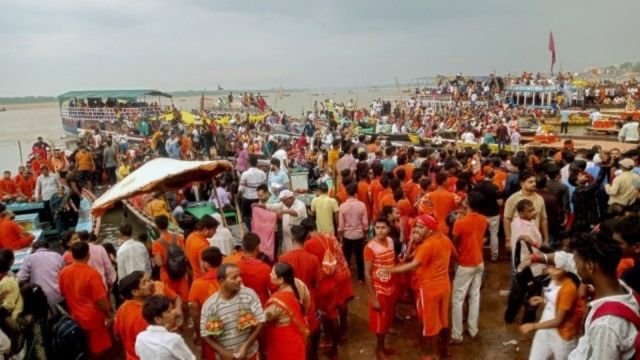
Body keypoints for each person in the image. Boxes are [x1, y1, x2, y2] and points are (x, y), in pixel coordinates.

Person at [381, 214, 455, 359]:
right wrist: (412, 242)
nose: (417, 230)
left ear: (431, 229)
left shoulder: (427, 245)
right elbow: (455, 255)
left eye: (421, 228)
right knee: (444, 320)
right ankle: (445, 350)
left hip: (428, 289)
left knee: (430, 324)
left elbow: (412, 264)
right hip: (444, 286)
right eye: (416, 227)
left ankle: (433, 354)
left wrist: (389, 270)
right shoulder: (445, 239)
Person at [568, 232, 640, 359]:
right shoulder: (625, 289)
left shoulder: (605, 325)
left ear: (590, 266)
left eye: (576, 262)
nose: (575, 267)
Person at [200, 263, 265, 360]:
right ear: (222, 281)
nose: (239, 279)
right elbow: (205, 334)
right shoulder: (210, 305)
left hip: (251, 354)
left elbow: (261, 321)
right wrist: (222, 352)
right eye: (234, 277)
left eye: (239, 276)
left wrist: (246, 346)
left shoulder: (249, 295)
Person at [58, 242, 113, 356]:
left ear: (72, 255)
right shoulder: (92, 274)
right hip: (94, 319)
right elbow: (101, 302)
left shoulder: (64, 272)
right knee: (99, 351)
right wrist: (108, 315)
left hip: (76, 317)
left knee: (84, 348)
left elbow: (62, 293)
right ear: (88, 255)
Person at [519, 262, 583, 359]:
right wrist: (543, 300)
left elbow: (558, 320)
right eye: (551, 268)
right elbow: (556, 301)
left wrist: (533, 326)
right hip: (545, 329)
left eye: (558, 269)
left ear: (565, 268)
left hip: (562, 336)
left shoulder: (568, 289)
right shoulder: (553, 280)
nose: (553, 272)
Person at [450, 193, 487, 344]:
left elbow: (454, 241)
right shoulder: (483, 220)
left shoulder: (460, 222)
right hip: (479, 262)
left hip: (465, 263)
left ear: (468, 204)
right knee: (474, 297)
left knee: (458, 299)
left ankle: (457, 335)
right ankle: (473, 330)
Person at [364, 217, 397, 360]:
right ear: (374, 229)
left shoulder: (390, 241)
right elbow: (367, 272)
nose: (380, 231)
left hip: (390, 286)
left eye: (383, 227)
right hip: (379, 289)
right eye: (377, 228)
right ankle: (379, 350)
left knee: (387, 318)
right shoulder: (370, 248)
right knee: (380, 321)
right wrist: (373, 296)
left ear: (388, 229)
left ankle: (383, 347)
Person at [264, 263, 310, 360]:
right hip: (297, 335)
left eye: (272, 273)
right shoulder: (298, 284)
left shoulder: (278, 301)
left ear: (281, 280)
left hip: (284, 340)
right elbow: (307, 302)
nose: (270, 275)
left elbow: (264, 318)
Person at [136, 295, 196, 360]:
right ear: (158, 319)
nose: (173, 312)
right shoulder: (173, 339)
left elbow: (138, 353)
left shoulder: (140, 337)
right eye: (169, 311)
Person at [151, 215, 189, 318]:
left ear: (157, 227)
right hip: (181, 273)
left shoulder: (156, 243)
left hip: (167, 275)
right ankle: (186, 323)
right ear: (168, 224)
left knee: (171, 301)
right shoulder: (178, 238)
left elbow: (159, 263)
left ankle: (175, 324)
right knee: (184, 299)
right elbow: (185, 256)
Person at [114, 271, 155, 360]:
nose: (150, 284)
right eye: (145, 282)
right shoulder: (144, 315)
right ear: (135, 292)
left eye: (149, 280)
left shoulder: (122, 308)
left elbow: (117, 334)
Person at [503, 170, 548, 247]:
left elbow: (543, 219)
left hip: (535, 237)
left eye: (534, 181)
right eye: (530, 182)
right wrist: (508, 239)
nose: (534, 184)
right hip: (519, 239)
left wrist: (546, 240)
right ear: (522, 183)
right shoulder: (513, 198)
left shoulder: (540, 198)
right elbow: (507, 219)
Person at [188, 247, 222, 346]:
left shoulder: (197, 284)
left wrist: (199, 335)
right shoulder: (230, 277)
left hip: (212, 331)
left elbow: (195, 314)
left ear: (206, 264)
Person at [256, 190, 308, 254]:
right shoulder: (283, 204)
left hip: (298, 238)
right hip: (286, 236)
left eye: (284, 200)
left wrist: (284, 211)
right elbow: (273, 206)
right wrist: (261, 206)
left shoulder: (300, 204)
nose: (283, 202)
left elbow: (296, 213)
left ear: (290, 198)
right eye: (282, 201)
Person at [16, 239, 64, 305]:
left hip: (40, 298)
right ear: (48, 247)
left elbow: (20, 279)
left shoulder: (29, 258)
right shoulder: (57, 255)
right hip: (60, 296)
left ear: (33, 249)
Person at [338, 182, 368, 282]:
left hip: (347, 236)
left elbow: (341, 226)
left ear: (346, 193)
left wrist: (340, 236)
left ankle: (346, 277)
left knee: (346, 257)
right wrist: (366, 233)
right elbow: (365, 223)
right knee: (360, 257)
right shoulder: (362, 205)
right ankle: (361, 278)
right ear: (356, 193)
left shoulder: (342, 206)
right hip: (359, 235)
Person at [236, 233, 274, 306]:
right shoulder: (264, 268)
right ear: (257, 248)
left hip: (243, 305)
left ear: (243, 248)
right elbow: (274, 289)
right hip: (262, 304)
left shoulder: (235, 266)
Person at [185, 216, 219, 281]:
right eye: (213, 230)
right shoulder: (203, 246)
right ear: (205, 229)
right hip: (203, 279)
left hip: (195, 276)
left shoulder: (190, 236)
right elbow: (204, 269)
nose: (215, 232)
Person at [239, 155, 268, 230]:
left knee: (245, 214)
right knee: (260, 214)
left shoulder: (245, 173)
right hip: (260, 198)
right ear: (257, 163)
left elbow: (241, 188)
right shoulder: (262, 173)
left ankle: (250, 229)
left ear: (249, 163)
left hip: (248, 198)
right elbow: (265, 186)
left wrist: (238, 195)